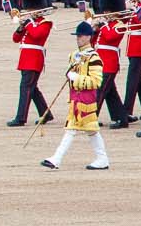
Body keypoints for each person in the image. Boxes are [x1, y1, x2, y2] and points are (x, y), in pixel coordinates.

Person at [41, 24, 110, 171]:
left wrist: (77, 78)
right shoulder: (75, 55)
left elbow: (96, 81)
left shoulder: (94, 57)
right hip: (75, 98)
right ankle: (102, 158)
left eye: (80, 36)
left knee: (71, 129)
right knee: (91, 130)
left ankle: (56, 159)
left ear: (88, 37)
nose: (78, 39)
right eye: (77, 36)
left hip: (86, 99)